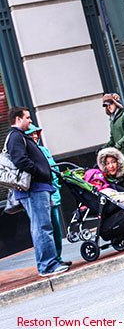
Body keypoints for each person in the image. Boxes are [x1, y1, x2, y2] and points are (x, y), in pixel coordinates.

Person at [5, 107, 69, 277]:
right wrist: (40, 172)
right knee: (42, 227)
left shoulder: (19, 136)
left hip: (38, 188)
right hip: (33, 189)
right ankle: (47, 266)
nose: (31, 121)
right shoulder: (16, 137)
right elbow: (20, 160)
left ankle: (53, 261)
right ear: (18, 119)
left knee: (45, 226)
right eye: (27, 117)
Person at [25, 125, 69, 267]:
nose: (35, 136)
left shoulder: (43, 150)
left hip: (52, 194)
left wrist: (56, 189)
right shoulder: (28, 153)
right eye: (31, 134)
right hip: (41, 195)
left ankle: (57, 258)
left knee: (55, 229)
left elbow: (54, 170)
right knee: (45, 230)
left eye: (36, 133)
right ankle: (51, 260)